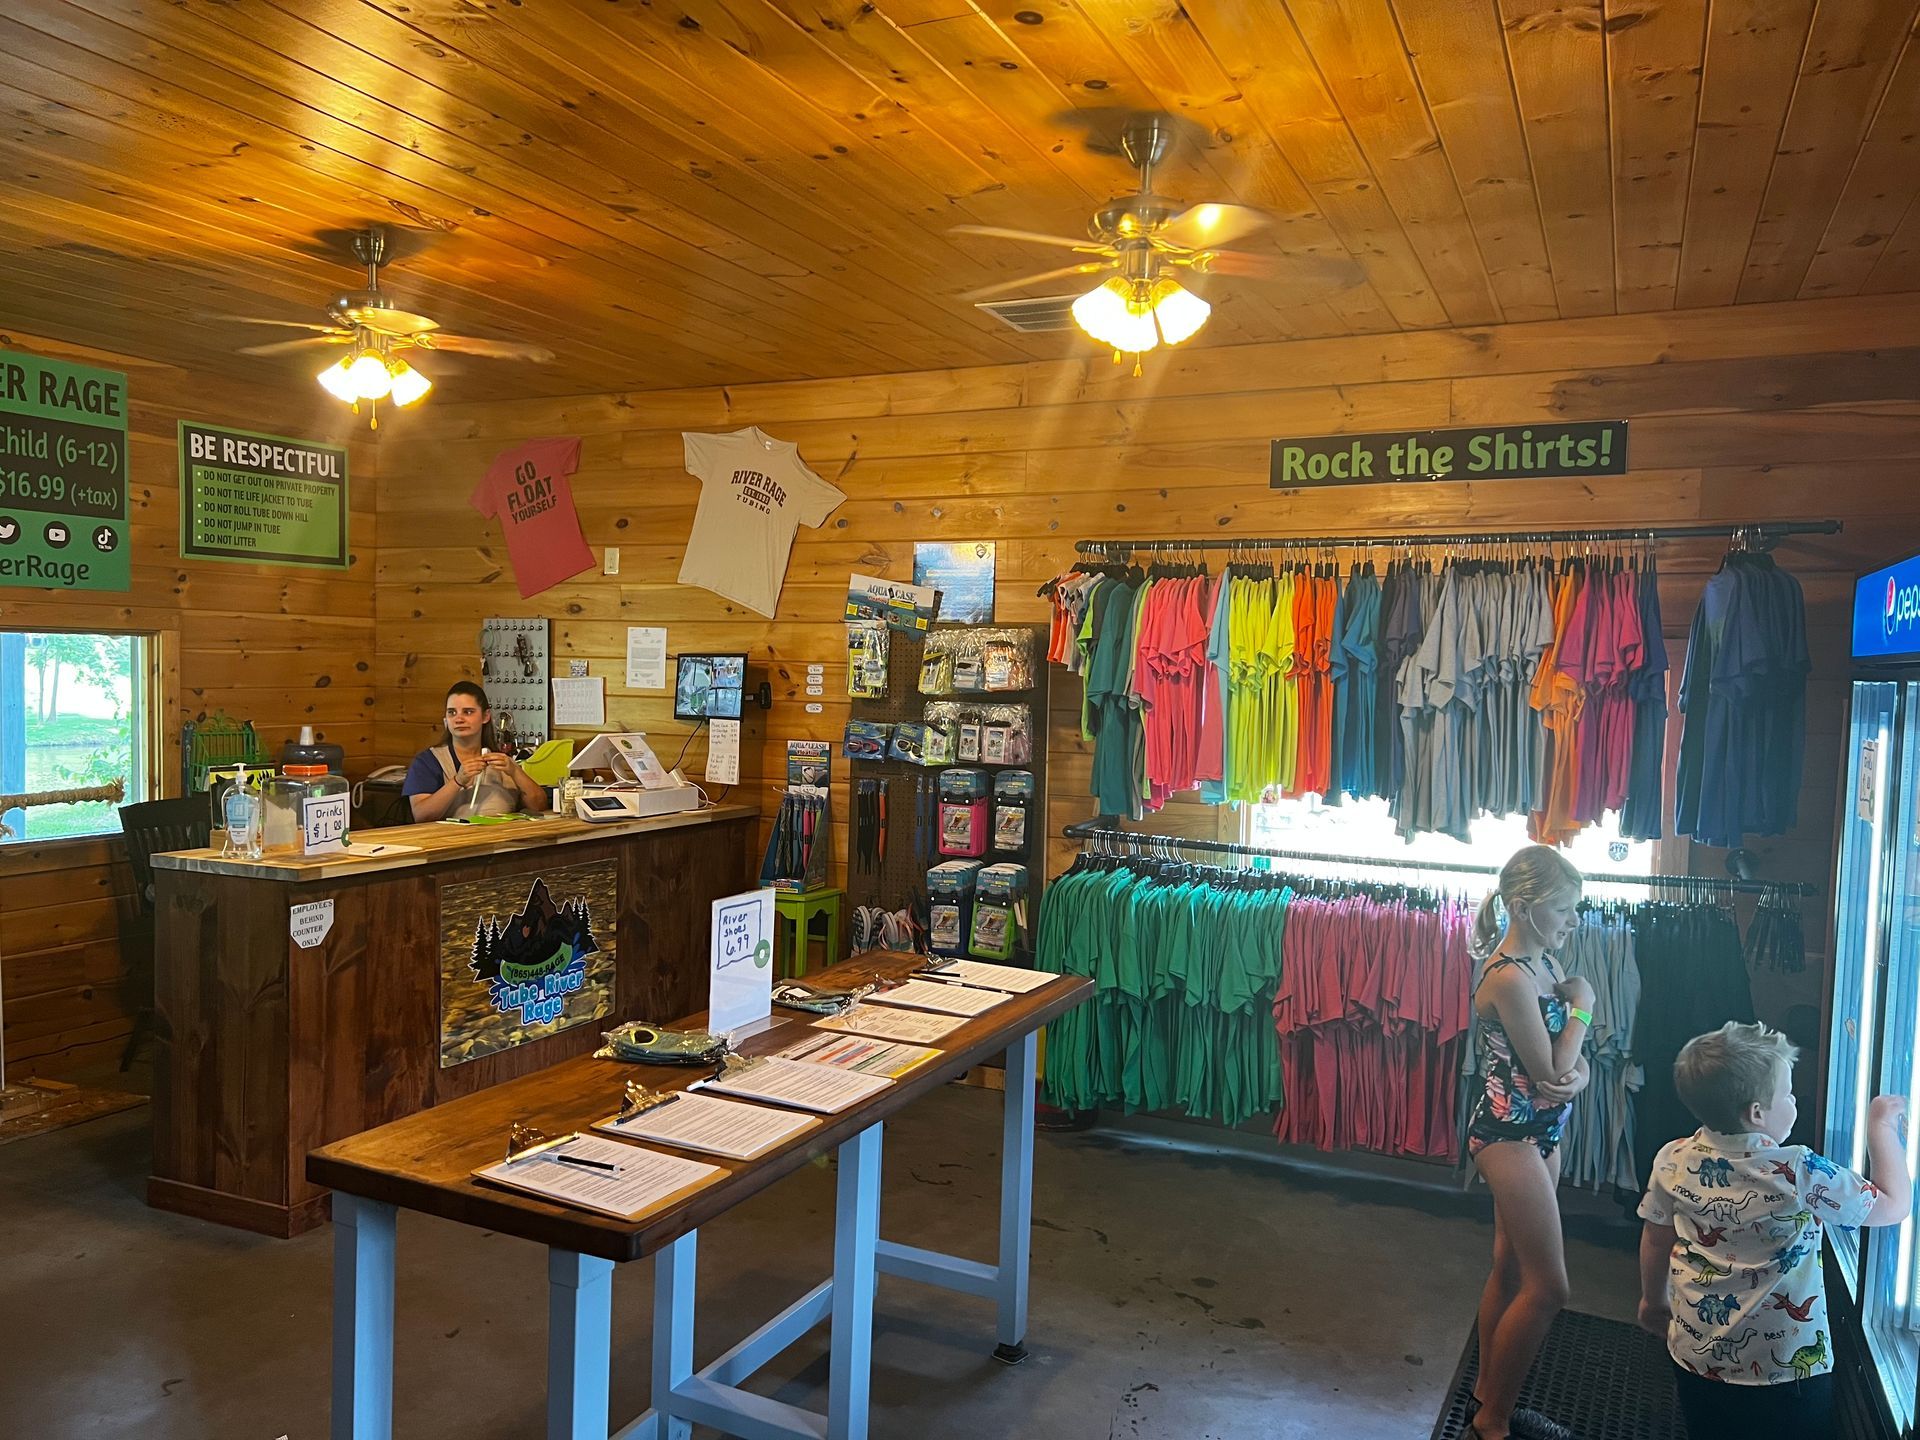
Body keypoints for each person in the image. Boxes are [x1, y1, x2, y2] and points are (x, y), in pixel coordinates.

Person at [1637, 1022, 1910, 1439]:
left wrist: (1651, 1300)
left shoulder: (1673, 1157)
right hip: (1785, 1371)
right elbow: (1893, 1205)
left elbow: (1656, 1236)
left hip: (1695, 1354)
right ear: (1757, 1113)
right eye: (1787, 1092)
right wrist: (1882, 1128)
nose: (1794, 1099)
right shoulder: (1799, 1169)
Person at [1465, 844, 1592, 1440]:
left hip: (1541, 1133)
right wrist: (1584, 1010)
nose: (1573, 922)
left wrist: (1578, 1075)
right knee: (1550, 1287)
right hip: (1508, 1136)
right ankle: (1492, 1424)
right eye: (1565, 910)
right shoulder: (1512, 977)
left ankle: (1488, 1395)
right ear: (1524, 906)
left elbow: (1566, 1077)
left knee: (1510, 1268)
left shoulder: (1540, 965)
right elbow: (1550, 1073)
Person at [403, 681, 550, 822]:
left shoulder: (503, 762)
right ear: (445, 721)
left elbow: (539, 806)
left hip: (502, 843)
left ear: (485, 716)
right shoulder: (429, 761)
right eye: (452, 713)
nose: (458, 719)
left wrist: (515, 771)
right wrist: (457, 781)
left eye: (468, 712)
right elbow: (421, 816)